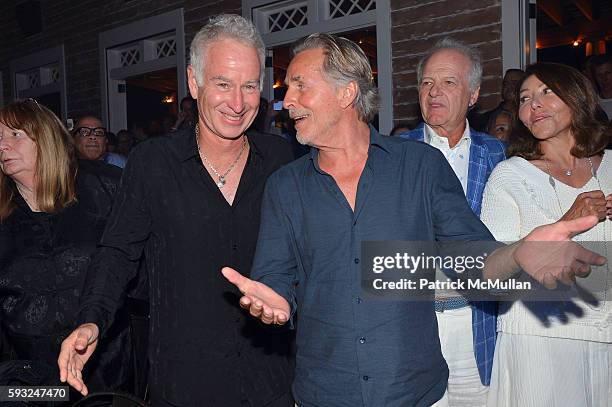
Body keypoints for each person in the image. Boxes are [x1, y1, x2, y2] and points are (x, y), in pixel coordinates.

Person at [221, 33, 605, 407]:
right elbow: (274, 275)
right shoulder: (284, 186)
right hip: (324, 390)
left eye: (300, 85)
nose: (286, 101)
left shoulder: (420, 166)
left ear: (346, 92)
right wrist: (275, 302)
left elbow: (469, 257)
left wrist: (520, 254)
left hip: (415, 391)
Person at [58, 14, 294, 407]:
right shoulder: (153, 163)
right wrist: (92, 318)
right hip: (186, 385)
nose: (238, 103)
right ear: (193, 81)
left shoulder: (281, 160)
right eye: (222, 84)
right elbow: (118, 251)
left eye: (249, 86)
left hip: (270, 383)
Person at [481, 62, 612, 406]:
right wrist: (568, 220)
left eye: (546, 92)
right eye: (524, 98)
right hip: (541, 334)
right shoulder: (509, 177)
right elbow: (494, 271)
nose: (533, 104)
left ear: (577, 97)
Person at [0, 99, 133, 396]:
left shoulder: (103, 187)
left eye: (14, 135)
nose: (3, 146)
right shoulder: (3, 213)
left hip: (105, 368)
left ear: (45, 136)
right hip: (29, 380)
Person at [400, 38, 506, 406]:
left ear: (473, 94)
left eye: (449, 82)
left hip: (476, 326)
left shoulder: (498, 155)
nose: (434, 92)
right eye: (427, 82)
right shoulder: (391, 156)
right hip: (413, 327)